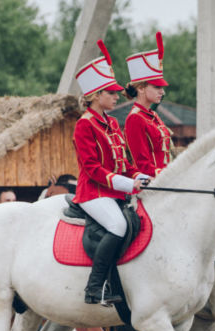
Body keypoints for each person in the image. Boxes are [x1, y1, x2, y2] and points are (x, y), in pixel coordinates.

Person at [73, 40, 148, 306]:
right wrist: (128, 185)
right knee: (118, 225)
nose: (117, 97)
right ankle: (95, 288)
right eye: (111, 93)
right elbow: (92, 168)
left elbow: (122, 161)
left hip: (115, 189)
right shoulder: (84, 125)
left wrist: (139, 177)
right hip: (93, 192)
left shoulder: (113, 122)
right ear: (95, 96)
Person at [124, 32, 173, 178]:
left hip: (164, 180)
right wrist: (169, 176)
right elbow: (142, 165)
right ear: (141, 88)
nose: (162, 92)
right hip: (149, 184)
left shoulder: (153, 115)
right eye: (157, 87)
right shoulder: (135, 118)